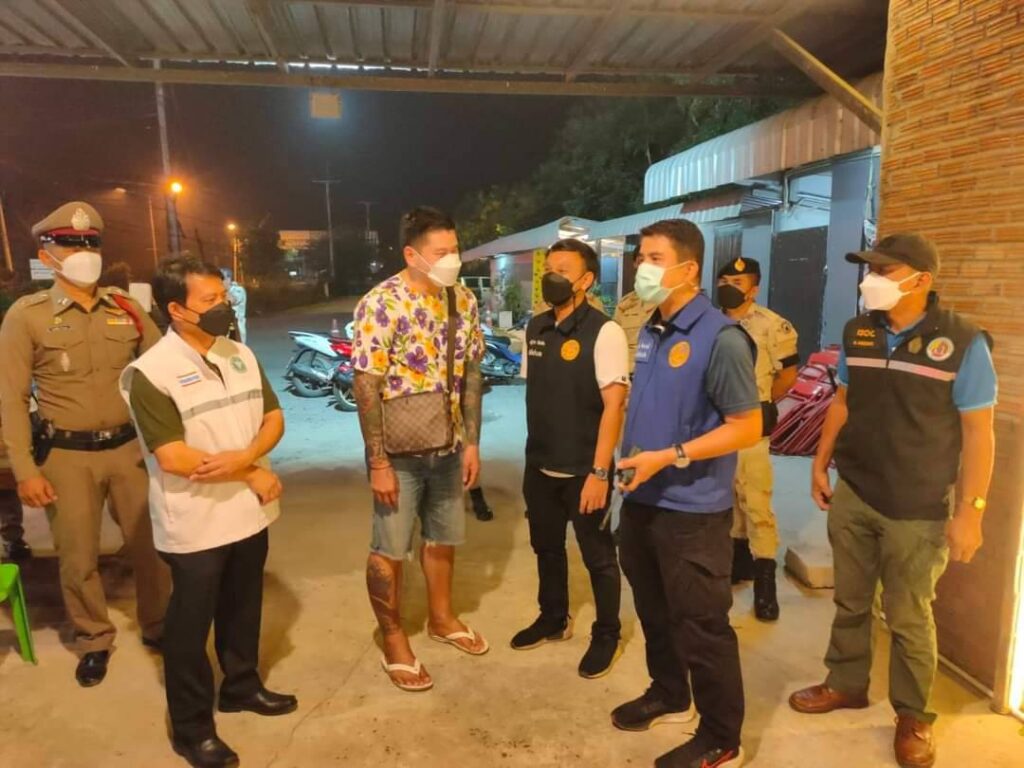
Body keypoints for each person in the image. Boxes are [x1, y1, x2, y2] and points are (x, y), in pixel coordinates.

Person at [789, 234, 996, 768]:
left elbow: (979, 432)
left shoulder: (963, 341)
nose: (871, 280)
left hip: (918, 506)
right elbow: (843, 400)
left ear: (921, 280)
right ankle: (845, 683)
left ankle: (914, 715)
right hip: (856, 491)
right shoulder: (858, 331)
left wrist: (971, 512)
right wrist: (820, 460)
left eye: (884, 270)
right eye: (870, 269)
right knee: (851, 600)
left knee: (908, 615)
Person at [121, 256, 296, 768]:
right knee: (189, 628)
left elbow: (274, 417)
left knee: (243, 607)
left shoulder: (239, 353)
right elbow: (174, 457)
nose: (224, 306)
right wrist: (252, 471)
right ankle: (192, 728)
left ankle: (241, 686)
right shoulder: (151, 373)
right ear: (176, 310)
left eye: (224, 296)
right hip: (195, 521)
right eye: (210, 300)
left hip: (249, 513)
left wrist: (246, 461)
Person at [0, 201, 169, 686]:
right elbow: (11, 398)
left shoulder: (127, 308)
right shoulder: (27, 316)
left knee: (152, 547)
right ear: (47, 255)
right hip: (66, 457)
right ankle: (93, 637)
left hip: (129, 450)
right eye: (71, 244)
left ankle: (159, 624)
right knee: (78, 556)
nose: (84, 252)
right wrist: (25, 470)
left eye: (90, 242)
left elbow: (163, 372)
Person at [613, 219, 761, 768]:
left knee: (702, 625)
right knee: (654, 610)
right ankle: (670, 691)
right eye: (640, 258)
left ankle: (722, 736)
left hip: (692, 511)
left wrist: (670, 456)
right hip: (642, 499)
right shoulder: (653, 328)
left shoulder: (721, 338)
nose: (641, 268)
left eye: (653, 258)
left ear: (688, 268)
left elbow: (747, 427)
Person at [352, 206, 488, 693]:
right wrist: (378, 462)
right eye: (441, 252)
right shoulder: (380, 303)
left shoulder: (463, 299)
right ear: (412, 255)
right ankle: (393, 638)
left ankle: (442, 618)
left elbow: (472, 373)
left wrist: (472, 442)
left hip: (449, 446)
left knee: (443, 538)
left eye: (455, 249)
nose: (453, 259)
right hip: (399, 452)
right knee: (389, 548)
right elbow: (365, 385)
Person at [512, 238, 628, 678]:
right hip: (539, 464)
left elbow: (614, 406)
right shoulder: (536, 327)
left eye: (564, 270)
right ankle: (553, 617)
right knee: (546, 547)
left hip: (584, 469)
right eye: (550, 268)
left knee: (598, 557)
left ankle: (607, 633)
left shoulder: (605, 331)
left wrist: (600, 471)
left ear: (586, 280)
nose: (552, 277)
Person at [716, 257, 799, 621]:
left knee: (756, 501)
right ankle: (738, 564)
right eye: (724, 281)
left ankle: (765, 584)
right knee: (726, 498)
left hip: (751, 425)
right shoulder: (710, 322)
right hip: (716, 425)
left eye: (737, 282)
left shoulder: (772, 325)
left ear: (754, 288)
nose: (729, 287)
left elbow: (787, 377)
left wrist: (757, 404)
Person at [614, 246, 658, 374]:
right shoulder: (625, 304)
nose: (646, 267)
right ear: (635, 264)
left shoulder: (669, 302)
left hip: (655, 375)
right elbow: (614, 343)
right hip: (626, 375)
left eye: (654, 261)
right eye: (641, 261)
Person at [221, 268, 247, 344]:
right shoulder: (220, 292)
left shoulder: (238, 290)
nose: (220, 282)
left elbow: (231, 300)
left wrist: (224, 290)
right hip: (223, 330)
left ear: (228, 279)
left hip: (236, 331)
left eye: (222, 279)